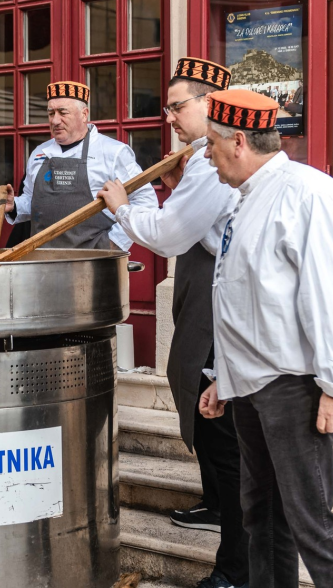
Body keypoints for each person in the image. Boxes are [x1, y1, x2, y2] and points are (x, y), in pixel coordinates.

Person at [198, 89, 333, 588]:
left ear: (237, 143)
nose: (205, 155)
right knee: (261, 517)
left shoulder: (307, 192)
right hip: (251, 384)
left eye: (210, 144)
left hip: (292, 386)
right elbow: (246, 301)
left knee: (311, 521)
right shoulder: (246, 199)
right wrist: (221, 379)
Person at [99, 58, 247, 588]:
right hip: (206, 292)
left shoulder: (213, 164)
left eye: (178, 107)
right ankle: (221, 512)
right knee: (201, 408)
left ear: (212, 105)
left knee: (221, 436)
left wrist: (121, 206)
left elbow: (168, 235)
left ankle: (236, 565)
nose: (169, 119)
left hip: (221, 306)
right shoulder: (201, 161)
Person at [0, 80, 158, 249]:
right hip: (43, 260)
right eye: (51, 113)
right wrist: (14, 206)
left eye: (62, 112)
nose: (55, 120)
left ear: (84, 114)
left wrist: (114, 243)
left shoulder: (114, 152)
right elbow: (32, 201)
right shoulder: (39, 153)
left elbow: (145, 201)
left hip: (95, 260)